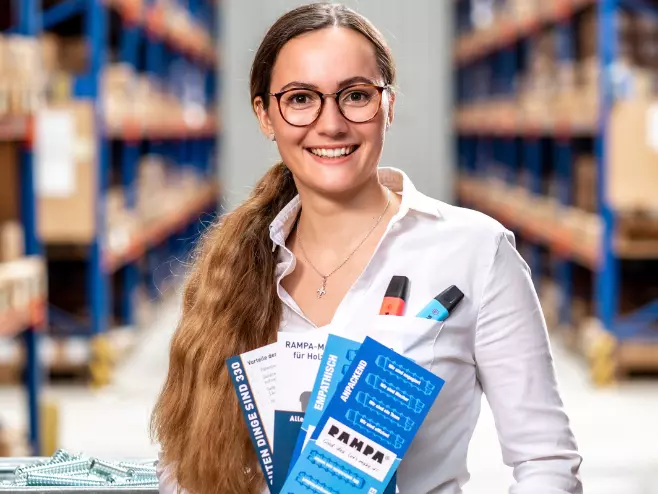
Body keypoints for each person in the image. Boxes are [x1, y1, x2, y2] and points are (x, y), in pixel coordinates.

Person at [151, 3, 583, 493]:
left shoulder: (476, 253)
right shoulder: (229, 271)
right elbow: (181, 469)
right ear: (265, 115)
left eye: (355, 96)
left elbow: (546, 462)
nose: (330, 124)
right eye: (300, 99)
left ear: (389, 105)